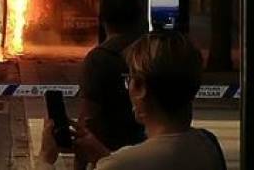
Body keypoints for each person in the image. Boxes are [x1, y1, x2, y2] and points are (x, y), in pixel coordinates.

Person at [39, 31, 227, 170]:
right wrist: (104, 157)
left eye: (130, 80)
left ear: (141, 89)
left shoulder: (121, 165)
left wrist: (45, 160)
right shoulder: (208, 145)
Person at [74, 0, 145, 168]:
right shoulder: (149, 55)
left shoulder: (98, 61)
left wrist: (79, 166)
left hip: (107, 159)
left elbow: (87, 120)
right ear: (137, 16)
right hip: (145, 154)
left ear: (103, 18)